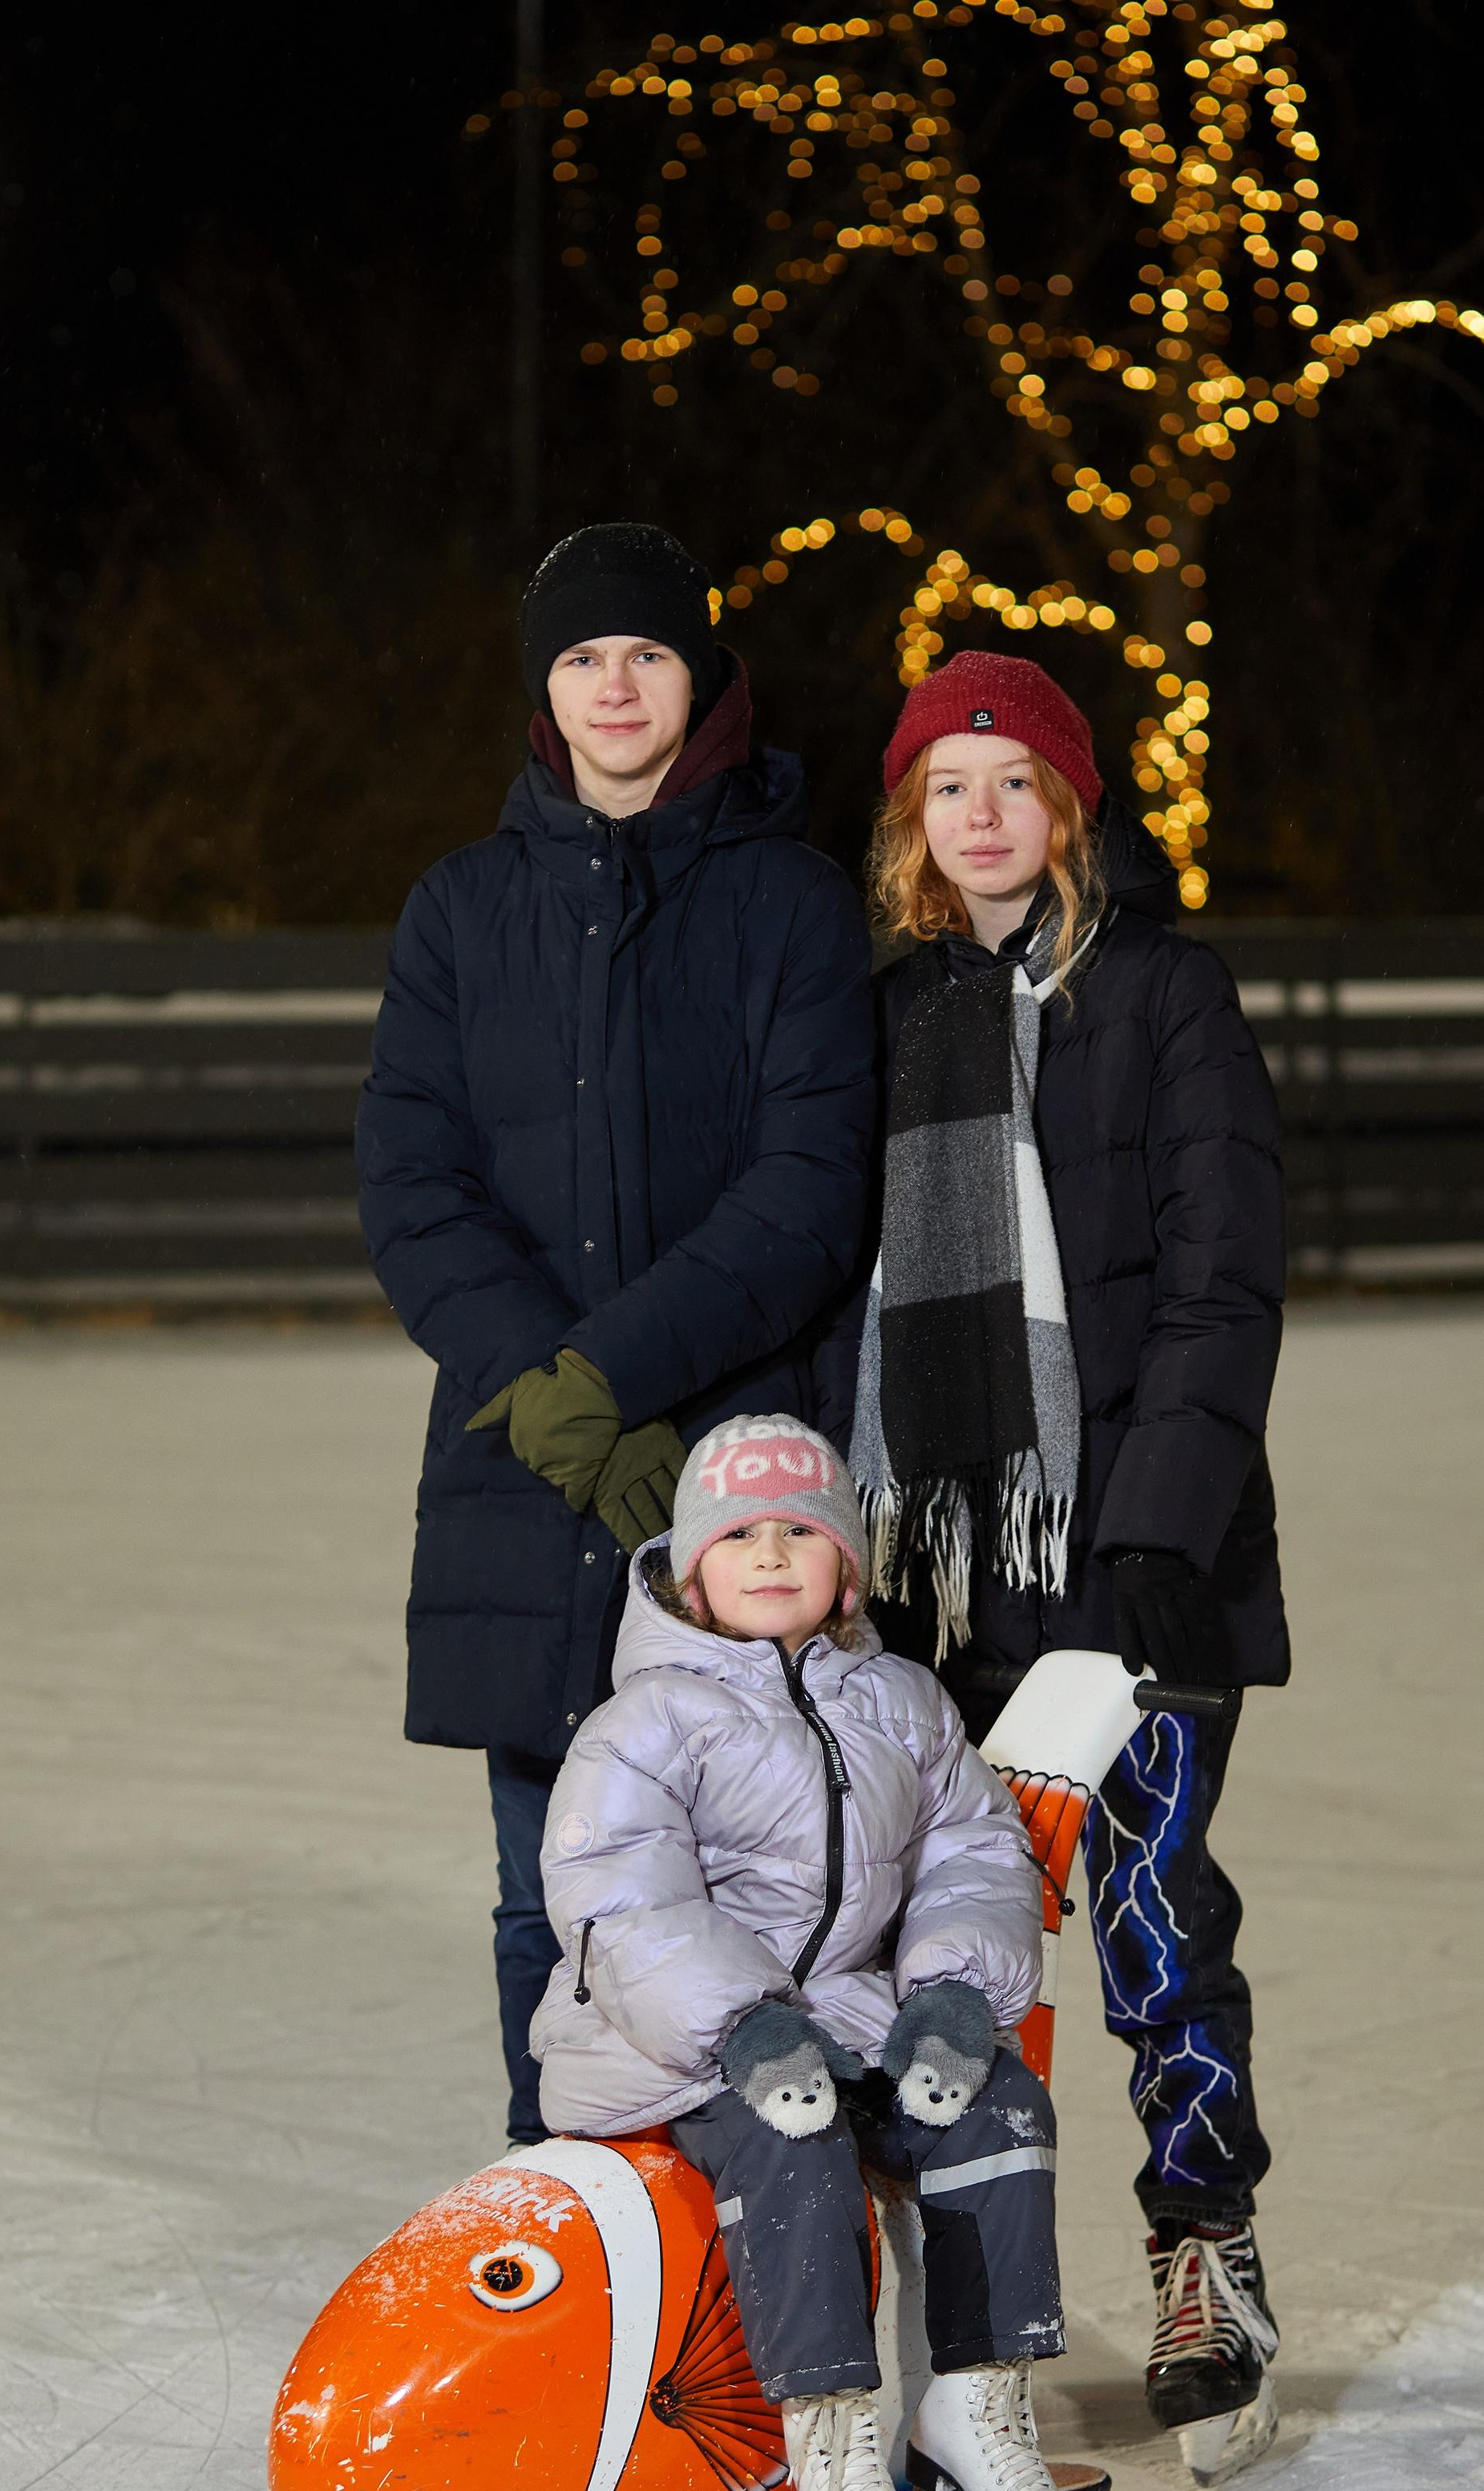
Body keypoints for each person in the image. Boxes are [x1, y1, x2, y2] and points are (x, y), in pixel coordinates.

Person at [831, 646, 1289, 2480]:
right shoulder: (888, 1015)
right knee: (954, 1958)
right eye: (947, 786)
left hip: (1142, 1562)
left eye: (1012, 780)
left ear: (1070, 806)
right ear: (911, 821)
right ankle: (976, 2327)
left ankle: (1206, 2255)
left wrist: (1159, 1524)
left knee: (1156, 1923)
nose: (981, 814)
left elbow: (1223, 1272)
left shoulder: (1165, 993)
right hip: (951, 1575)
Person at [357, 523, 874, 2147]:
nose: (615, 686)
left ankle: (764, 2254)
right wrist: (551, 1398)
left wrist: (609, 1378)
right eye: (582, 658)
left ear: (701, 675)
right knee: (550, 1903)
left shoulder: (791, 902)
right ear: (545, 689)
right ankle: (577, 2237)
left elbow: (808, 1190)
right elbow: (413, 1186)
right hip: (527, 1482)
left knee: (761, 1909)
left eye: (646, 653)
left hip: (736, 1478)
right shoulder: (460, 912)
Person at [531, 1414, 1073, 2491]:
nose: (771, 1554)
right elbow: (620, 1899)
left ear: (847, 1567)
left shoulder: (906, 1702)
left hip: (853, 2017)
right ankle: (830, 2429)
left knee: (999, 2109)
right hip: (669, 2042)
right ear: (692, 1569)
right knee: (800, 2136)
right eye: (739, 1535)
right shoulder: (646, 1721)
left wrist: (953, 1995)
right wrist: (743, 2025)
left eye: (801, 1531)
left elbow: (974, 1854)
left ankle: (976, 2401)